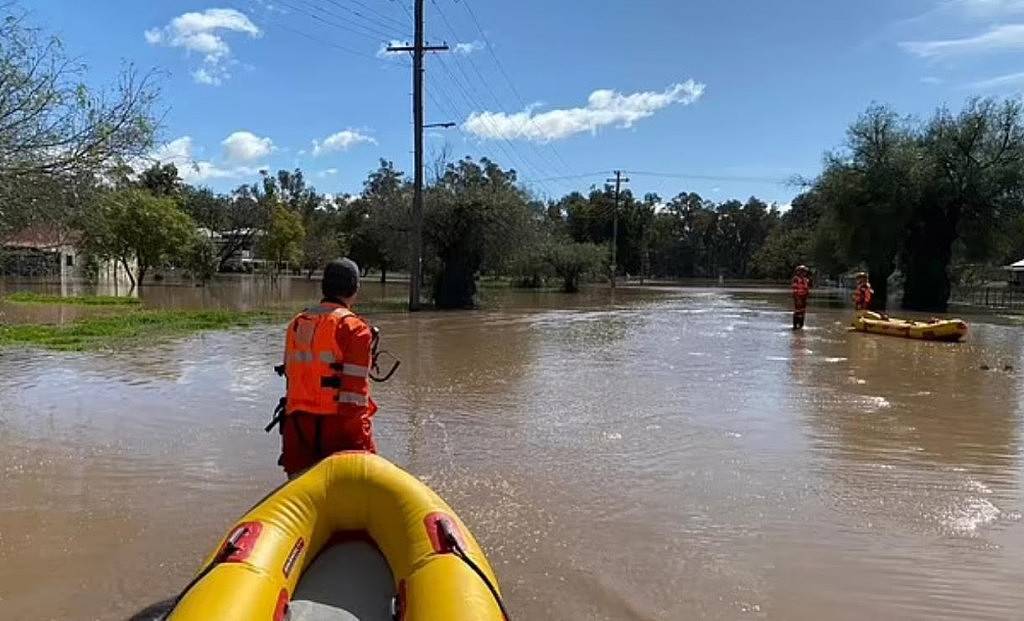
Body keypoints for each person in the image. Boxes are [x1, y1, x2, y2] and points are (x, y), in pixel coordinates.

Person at [277, 258, 378, 478]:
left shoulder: (297, 323)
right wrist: (364, 447)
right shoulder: (355, 329)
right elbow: (354, 399)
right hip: (339, 430)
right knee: (354, 498)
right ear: (355, 288)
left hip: (297, 429)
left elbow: (291, 376)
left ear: (324, 286)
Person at [791, 265, 812, 329]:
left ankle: (801, 325)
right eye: (803, 272)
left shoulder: (806, 279)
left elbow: (807, 289)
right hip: (798, 297)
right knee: (797, 311)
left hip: (804, 297)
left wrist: (807, 298)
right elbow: (795, 290)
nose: (804, 273)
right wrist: (797, 299)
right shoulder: (796, 279)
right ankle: (795, 326)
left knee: (803, 311)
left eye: (805, 272)